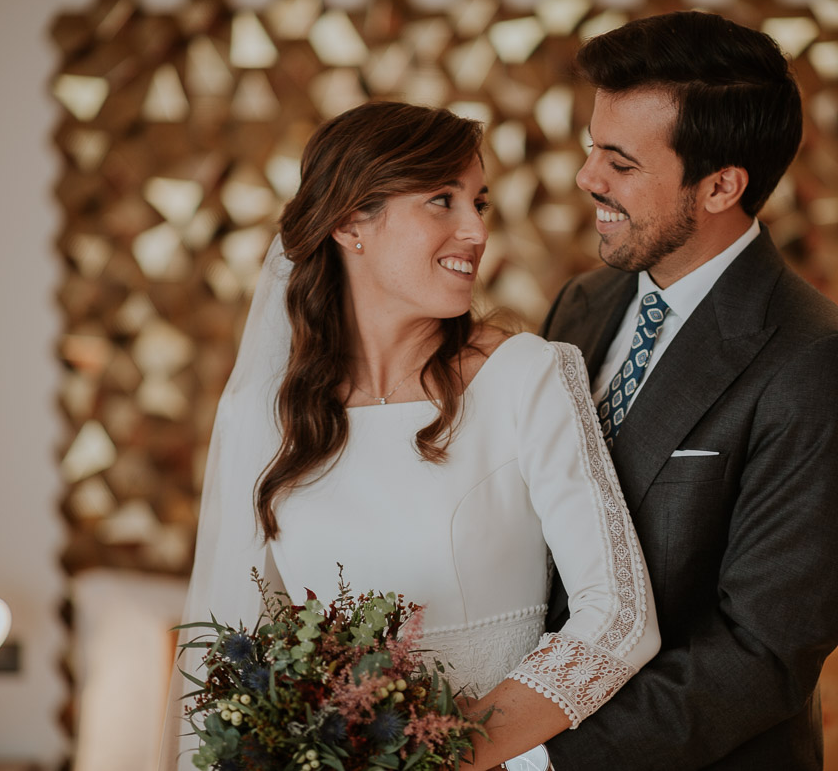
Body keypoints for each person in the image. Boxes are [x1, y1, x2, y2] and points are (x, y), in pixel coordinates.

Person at [159, 101, 659, 770]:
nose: (475, 230)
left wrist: (437, 756)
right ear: (348, 223)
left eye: (478, 202)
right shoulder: (265, 412)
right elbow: (237, 651)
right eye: (441, 201)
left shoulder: (525, 376)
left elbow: (619, 617)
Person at [539, 11, 838, 770]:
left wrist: (535, 758)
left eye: (620, 162)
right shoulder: (581, 304)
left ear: (720, 186)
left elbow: (760, 654)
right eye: (589, 149)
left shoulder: (822, 367)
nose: (586, 179)